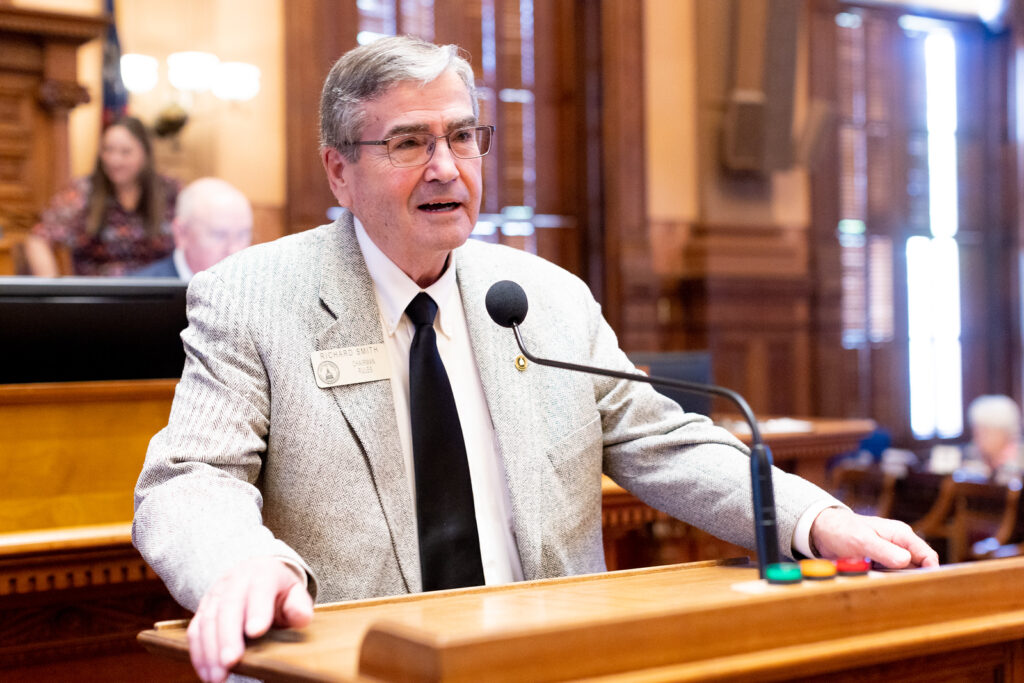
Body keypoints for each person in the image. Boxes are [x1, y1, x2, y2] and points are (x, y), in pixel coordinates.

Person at [132, 36, 937, 683]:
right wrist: (242, 563)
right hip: (354, 664)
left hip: (549, 661)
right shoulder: (253, 297)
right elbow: (190, 475)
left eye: (461, 136)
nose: (445, 167)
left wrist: (816, 520)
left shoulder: (545, 298)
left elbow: (665, 441)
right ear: (339, 170)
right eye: (408, 142)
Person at [24, 116, 179, 276]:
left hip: (156, 293)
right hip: (98, 295)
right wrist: (52, 292)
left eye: (125, 152)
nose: (114, 160)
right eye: (108, 150)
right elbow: (38, 239)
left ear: (145, 153)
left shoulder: (169, 191)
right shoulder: (83, 191)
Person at [132, 177, 253, 280]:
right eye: (219, 235)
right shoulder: (137, 294)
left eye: (242, 235)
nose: (234, 250)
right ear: (181, 234)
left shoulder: (257, 290)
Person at [961, 394, 1024, 483]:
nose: (976, 438)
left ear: (1004, 432)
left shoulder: (1020, 460)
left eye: (984, 432)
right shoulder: (972, 457)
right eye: (975, 432)